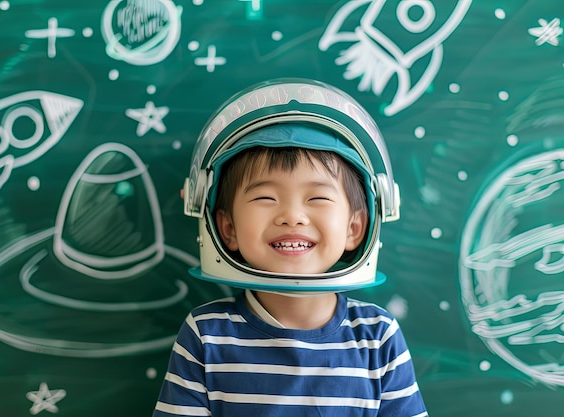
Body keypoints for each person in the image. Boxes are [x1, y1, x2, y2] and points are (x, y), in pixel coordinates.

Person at [152, 79, 428, 416]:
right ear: (227, 228)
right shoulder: (207, 334)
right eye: (266, 197)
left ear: (355, 228)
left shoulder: (378, 337)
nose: (292, 216)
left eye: (318, 198)